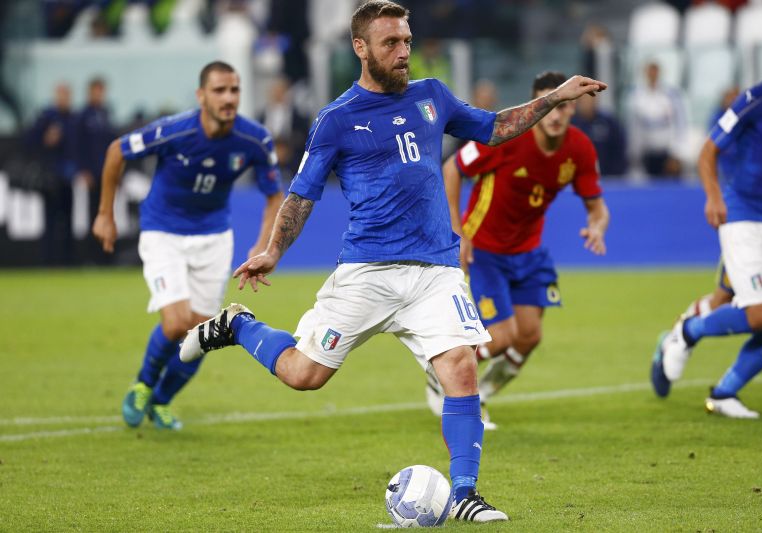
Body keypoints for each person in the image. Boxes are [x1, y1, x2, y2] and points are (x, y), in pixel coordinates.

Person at [179, 0, 605, 522]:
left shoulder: (432, 95)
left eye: (406, 41)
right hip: (368, 272)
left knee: (461, 365)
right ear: (360, 48)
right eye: (391, 43)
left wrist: (555, 97)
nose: (404, 52)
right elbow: (302, 194)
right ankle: (239, 326)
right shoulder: (336, 119)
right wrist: (272, 250)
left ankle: (465, 494)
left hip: (436, 270)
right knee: (304, 375)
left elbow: (495, 127)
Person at [92, 61, 284, 430]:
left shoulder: (254, 139)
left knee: (203, 332)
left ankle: (161, 401)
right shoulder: (174, 131)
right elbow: (117, 150)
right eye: (219, 90)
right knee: (176, 322)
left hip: (213, 238)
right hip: (163, 232)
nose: (228, 98)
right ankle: (143, 384)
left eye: (234, 90)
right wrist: (105, 213)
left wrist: (263, 246)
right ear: (201, 96)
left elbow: (274, 196)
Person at [426, 71, 610, 429]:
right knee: (501, 338)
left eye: (564, 105)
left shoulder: (580, 149)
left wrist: (598, 226)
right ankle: (448, 381)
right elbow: (452, 168)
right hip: (486, 251)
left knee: (529, 337)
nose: (556, 114)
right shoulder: (508, 137)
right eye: (551, 104)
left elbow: (597, 207)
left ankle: (482, 392)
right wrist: (457, 231)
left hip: (529, 252)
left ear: (573, 107)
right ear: (539, 104)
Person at [650, 19, 762, 419]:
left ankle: (724, 393)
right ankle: (686, 332)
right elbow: (708, 151)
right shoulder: (758, 98)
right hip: (744, 215)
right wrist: (714, 196)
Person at [27, 82, 78, 266]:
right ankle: (48, 262)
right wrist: (46, 139)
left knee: (68, 221)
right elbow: (29, 141)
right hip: (50, 179)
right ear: (56, 96)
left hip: (67, 177)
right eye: (61, 94)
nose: (64, 98)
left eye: (67, 95)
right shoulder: (46, 117)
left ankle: (67, 262)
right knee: (49, 221)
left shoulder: (73, 118)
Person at [76, 77, 116, 264]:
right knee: (94, 213)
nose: (100, 95)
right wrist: (83, 169)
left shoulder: (106, 114)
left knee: (109, 212)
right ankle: (93, 256)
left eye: (102, 91)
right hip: (93, 173)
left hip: (106, 173)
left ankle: (107, 255)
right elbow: (79, 145)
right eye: (97, 91)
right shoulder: (83, 116)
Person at [627, 61, 689, 178]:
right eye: (649, 71)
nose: (652, 74)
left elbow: (680, 124)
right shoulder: (637, 96)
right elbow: (634, 127)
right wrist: (634, 154)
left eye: (654, 71)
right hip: (647, 152)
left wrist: (677, 153)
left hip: (667, 152)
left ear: (659, 73)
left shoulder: (671, 94)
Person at [572, 92, 628, 177]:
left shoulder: (609, 122)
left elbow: (619, 150)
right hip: (576, 177)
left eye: (591, 98)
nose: (587, 102)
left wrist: (615, 176)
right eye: (584, 98)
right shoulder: (570, 123)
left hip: (607, 177)